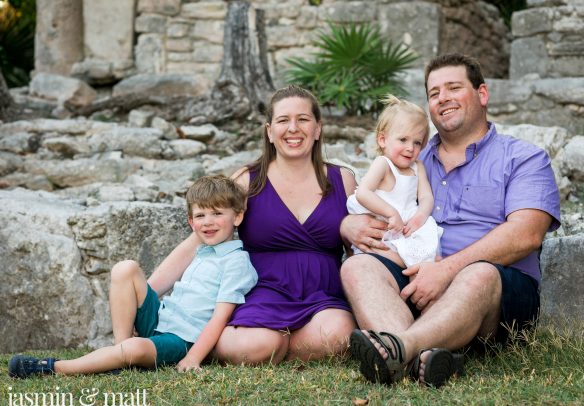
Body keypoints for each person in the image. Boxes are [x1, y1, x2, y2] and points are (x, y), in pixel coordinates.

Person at [340, 53, 561, 387]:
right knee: (357, 268)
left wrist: (446, 271)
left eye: (453, 88)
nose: (442, 98)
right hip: (414, 277)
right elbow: (373, 202)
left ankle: (401, 347)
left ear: (482, 94)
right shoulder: (410, 157)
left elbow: (526, 235)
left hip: (495, 290)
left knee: (477, 275)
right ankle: (430, 359)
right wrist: (348, 226)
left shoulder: (524, 158)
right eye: (433, 93)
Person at [148, 85, 357, 365]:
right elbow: (200, 238)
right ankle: (265, 344)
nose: (293, 128)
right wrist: (147, 297)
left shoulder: (343, 179)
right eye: (283, 120)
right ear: (270, 131)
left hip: (323, 295)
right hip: (262, 292)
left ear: (318, 128)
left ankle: (274, 348)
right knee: (247, 345)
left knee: (339, 334)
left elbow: (357, 250)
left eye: (303, 119)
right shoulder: (248, 180)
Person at [8, 175, 257, 378]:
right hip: (161, 319)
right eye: (200, 216)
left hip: (182, 339)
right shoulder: (203, 251)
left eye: (217, 214)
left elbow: (220, 317)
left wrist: (193, 357)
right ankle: (119, 351)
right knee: (124, 268)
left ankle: (53, 367)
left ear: (237, 216)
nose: (208, 222)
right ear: (191, 222)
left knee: (136, 348)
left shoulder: (236, 262)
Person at [346, 94, 443, 269]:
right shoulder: (383, 164)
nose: (410, 148)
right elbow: (363, 193)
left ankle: (420, 273)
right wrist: (391, 213)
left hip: (407, 224)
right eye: (403, 140)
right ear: (382, 140)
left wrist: (420, 217)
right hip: (385, 223)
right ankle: (412, 266)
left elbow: (426, 196)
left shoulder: (417, 167)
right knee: (376, 251)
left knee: (427, 241)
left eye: (417, 143)